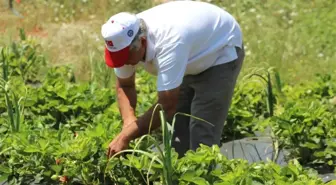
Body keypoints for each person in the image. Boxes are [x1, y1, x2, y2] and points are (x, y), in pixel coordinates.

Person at [102, 0, 245, 159]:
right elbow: (125, 85)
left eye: (125, 57)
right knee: (178, 128)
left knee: (202, 132)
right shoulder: (124, 40)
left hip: (219, 50)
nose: (123, 63)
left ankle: (205, 177)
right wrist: (129, 123)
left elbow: (167, 104)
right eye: (117, 57)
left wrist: (125, 137)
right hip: (189, 50)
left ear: (142, 42)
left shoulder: (170, 41)